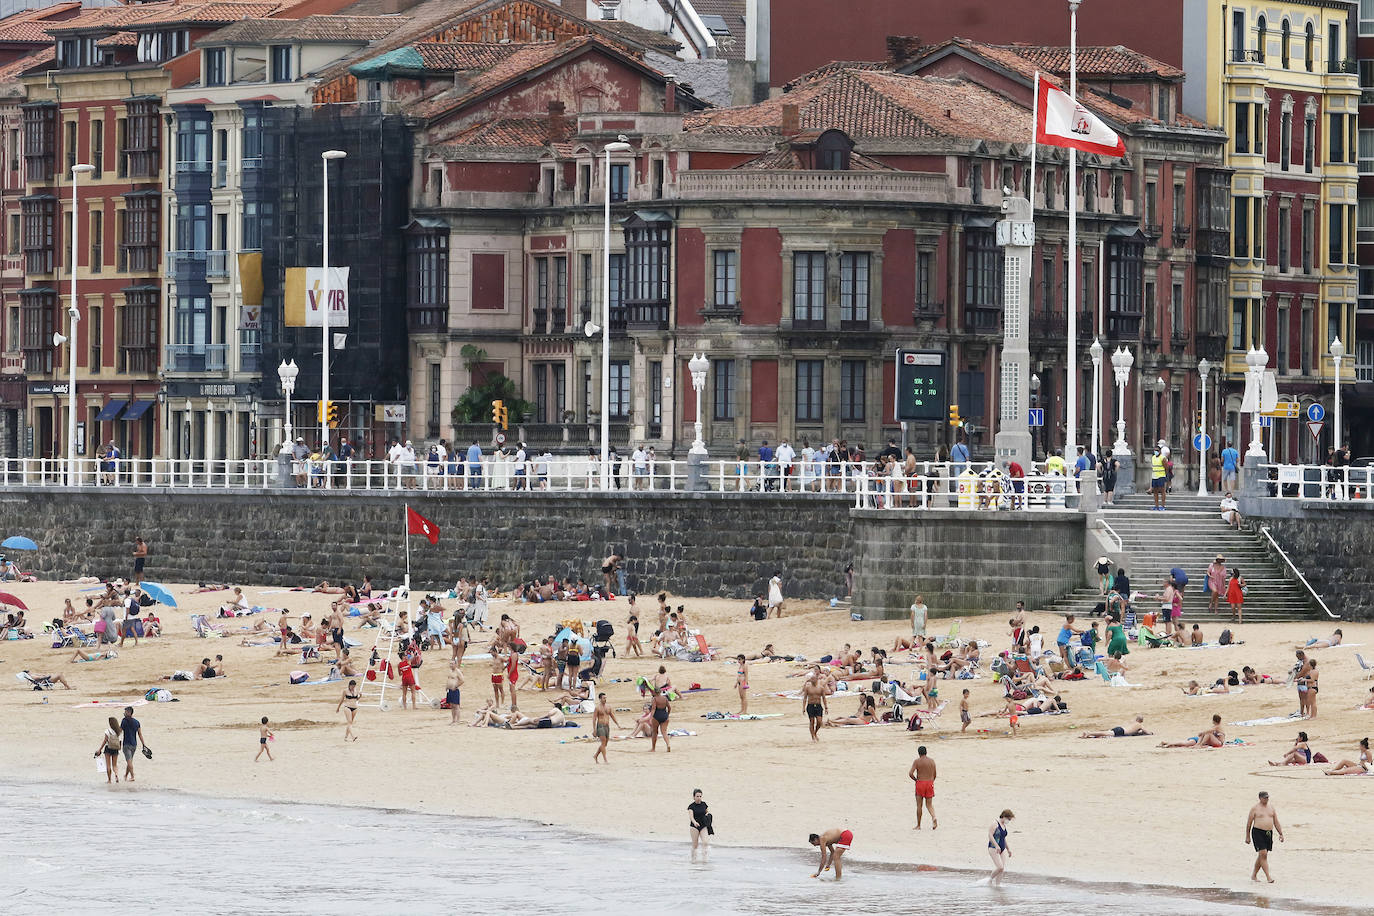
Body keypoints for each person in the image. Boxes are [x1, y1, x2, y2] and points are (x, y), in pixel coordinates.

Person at [1245, 791, 1283, 883]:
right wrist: (1247, 836)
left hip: (1268, 833)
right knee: (1263, 854)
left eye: (1267, 797)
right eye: (1265, 797)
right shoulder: (1255, 808)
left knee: (1262, 855)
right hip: (1257, 832)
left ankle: (1254, 875)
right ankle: (1268, 877)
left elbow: (1276, 821)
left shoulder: (1271, 808)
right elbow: (1249, 823)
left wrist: (1280, 833)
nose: (1267, 799)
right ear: (1260, 798)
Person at [908, 746, 938, 830]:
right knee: (929, 805)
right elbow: (935, 774)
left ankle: (918, 825)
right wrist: (931, 782)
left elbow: (910, 773)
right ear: (926, 752)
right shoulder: (932, 761)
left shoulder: (917, 761)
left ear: (919, 753)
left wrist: (916, 780)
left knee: (919, 806)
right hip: (930, 783)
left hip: (920, 783)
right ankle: (934, 817)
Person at [1158, 714, 1225, 748]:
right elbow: (1208, 732)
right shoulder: (1216, 727)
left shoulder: (1216, 727)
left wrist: (1202, 733)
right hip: (1206, 741)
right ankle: (1168, 743)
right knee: (1185, 744)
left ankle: (1167, 743)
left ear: (1213, 721)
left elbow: (1208, 731)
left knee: (1185, 743)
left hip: (1214, 742)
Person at [592, 692, 621, 763]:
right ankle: (605, 760)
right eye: (603, 698)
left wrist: (617, 724)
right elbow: (594, 719)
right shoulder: (597, 708)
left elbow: (612, 716)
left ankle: (595, 755)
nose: (605, 699)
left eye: (605, 698)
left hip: (607, 726)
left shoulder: (608, 707)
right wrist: (594, 730)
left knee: (605, 744)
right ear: (600, 699)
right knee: (603, 742)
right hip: (600, 726)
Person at [986, 810, 1014, 885]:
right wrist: (996, 845)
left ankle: (998, 885)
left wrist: (1008, 849)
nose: (1009, 821)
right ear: (1004, 816)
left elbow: (1003, 838)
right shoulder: (995, 823)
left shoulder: (1004, 825)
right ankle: (990, 880)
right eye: (1009, 819)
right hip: (993, 848)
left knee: (1002, 869)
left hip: (1002, 848)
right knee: (1000, 867)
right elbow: (990, 835)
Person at [119, 706, 145, 781]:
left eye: (126, 712)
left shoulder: (124, 721)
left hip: (126, 745)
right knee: (129, 761)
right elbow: (140, 734)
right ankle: (126, 776)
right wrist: (143, 744)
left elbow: (120, 731)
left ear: (129, 712)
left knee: (129, 761)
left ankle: (133, 776)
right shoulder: (137, 722)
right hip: (134, 745)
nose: (124, 713)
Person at [96, 716, 123, 783]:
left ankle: (109, 780)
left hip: (108, 748)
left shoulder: (107, 731)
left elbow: (105, 741)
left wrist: (100, 749)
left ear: (110, 723)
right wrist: (119, 749)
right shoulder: (119, 731)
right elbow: (120, 741)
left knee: (108, 765)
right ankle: (116, 774)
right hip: (116, 749)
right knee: (114, 765)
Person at [689, 789, 713, 859]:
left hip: (703, 825)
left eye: (700, 796)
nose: (699, 798)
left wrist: (708, 817)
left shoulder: (704, 804)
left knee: (705, 842)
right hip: (694, 827)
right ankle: (693, 859)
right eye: (697, 796)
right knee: (695, 845)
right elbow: (691, 817)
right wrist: (695, 822)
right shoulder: (691, 806)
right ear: (694, 797)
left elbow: (707, 812)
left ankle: (704, 859)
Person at [801, 674, 827, 742]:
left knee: (819, 722)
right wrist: (803, 707)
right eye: (811, 679)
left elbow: (824, 698)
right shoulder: (808, 687)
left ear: (817, 679)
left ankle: (815, 733)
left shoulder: (821, 688)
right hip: (810, 706)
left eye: (814, 679)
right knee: (812, 722)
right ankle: (813, 736)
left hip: (818, 705)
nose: (812, 680)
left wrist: (826, 707)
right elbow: (805, 698)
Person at [1079, 715, 1151, 738]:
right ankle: (1089, 733)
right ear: (1141, 721)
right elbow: (1148, 733)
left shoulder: (1133, 723)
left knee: (1105, 733)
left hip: (1120, 728)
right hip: (1121, 731)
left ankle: (1090, 734)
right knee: (1104, 733)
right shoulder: (1139, 725)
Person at [649, 685, 672, 752]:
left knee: (654, 732)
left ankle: (653, 748)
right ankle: (668, 744)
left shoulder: (654, 699)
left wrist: (650, 717)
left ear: (654, 692)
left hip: (657, 715)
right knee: (664, 732)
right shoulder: (665, 698)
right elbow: (669, 707)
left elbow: (653, 709)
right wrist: (667, 714)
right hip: (664, 715)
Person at [443, 662, 464, 726]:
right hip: (449, 690)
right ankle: (453, 720)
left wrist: (456, 686)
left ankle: (458, 720)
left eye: (452, 664)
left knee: (456, 706)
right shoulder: (450, 671)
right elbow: (449, 679)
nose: (451, 665)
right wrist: (446, 686)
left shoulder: (457, 671)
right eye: (450, 664)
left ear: (455, 664)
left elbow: (462, 680)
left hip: (455, 690)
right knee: (452, 705)